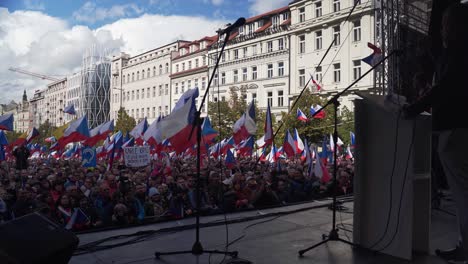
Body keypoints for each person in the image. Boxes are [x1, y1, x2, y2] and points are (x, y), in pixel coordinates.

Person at [404, 3, 468, 263]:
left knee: (463, 195)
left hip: (456, 128)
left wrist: (414, 108)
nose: (442, 30)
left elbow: (445, 87)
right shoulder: (454, 53)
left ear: (456, 26)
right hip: (459, 127)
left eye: (445, 24)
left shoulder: (459, 53)